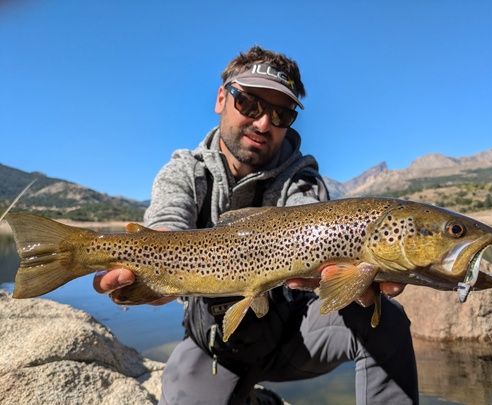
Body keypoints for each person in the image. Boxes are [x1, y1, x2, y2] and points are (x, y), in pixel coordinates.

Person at [94, 45, 419, 405]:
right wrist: (158, 278)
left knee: (385, 318)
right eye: (249, 103)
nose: (264, 123)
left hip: (294, 333)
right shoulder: (185, 172)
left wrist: (356, 278)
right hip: (215, 344)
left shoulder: (303, 182)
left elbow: (311, 226)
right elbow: (167, 227)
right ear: (221, 98)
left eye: (281, 114)